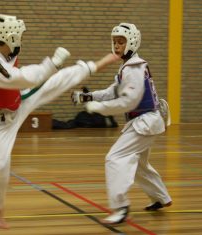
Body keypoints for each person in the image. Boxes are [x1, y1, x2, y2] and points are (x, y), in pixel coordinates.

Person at [0, 14, 120, 229]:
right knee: (1, 163)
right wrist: (53, 63)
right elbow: (25, 77)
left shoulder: (4, 51)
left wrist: (54, 70)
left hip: (19, 99)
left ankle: (97, 65)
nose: (21, 39)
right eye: (19, 35)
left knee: (56, 83)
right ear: (10, 37)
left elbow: (24, 82)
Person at [73, 23, 172, 225]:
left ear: (132, 42)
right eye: (115, 42)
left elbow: (128, 101)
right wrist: (87, 97)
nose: (117, 46)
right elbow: (113, 91)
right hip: (145, 122)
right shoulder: (128, 66)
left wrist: (98, 108)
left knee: (115, 158)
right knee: (140, 166)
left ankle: (121, 208)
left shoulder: (134, 68)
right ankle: (161, 197)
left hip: (144, 122)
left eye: (121, 42)